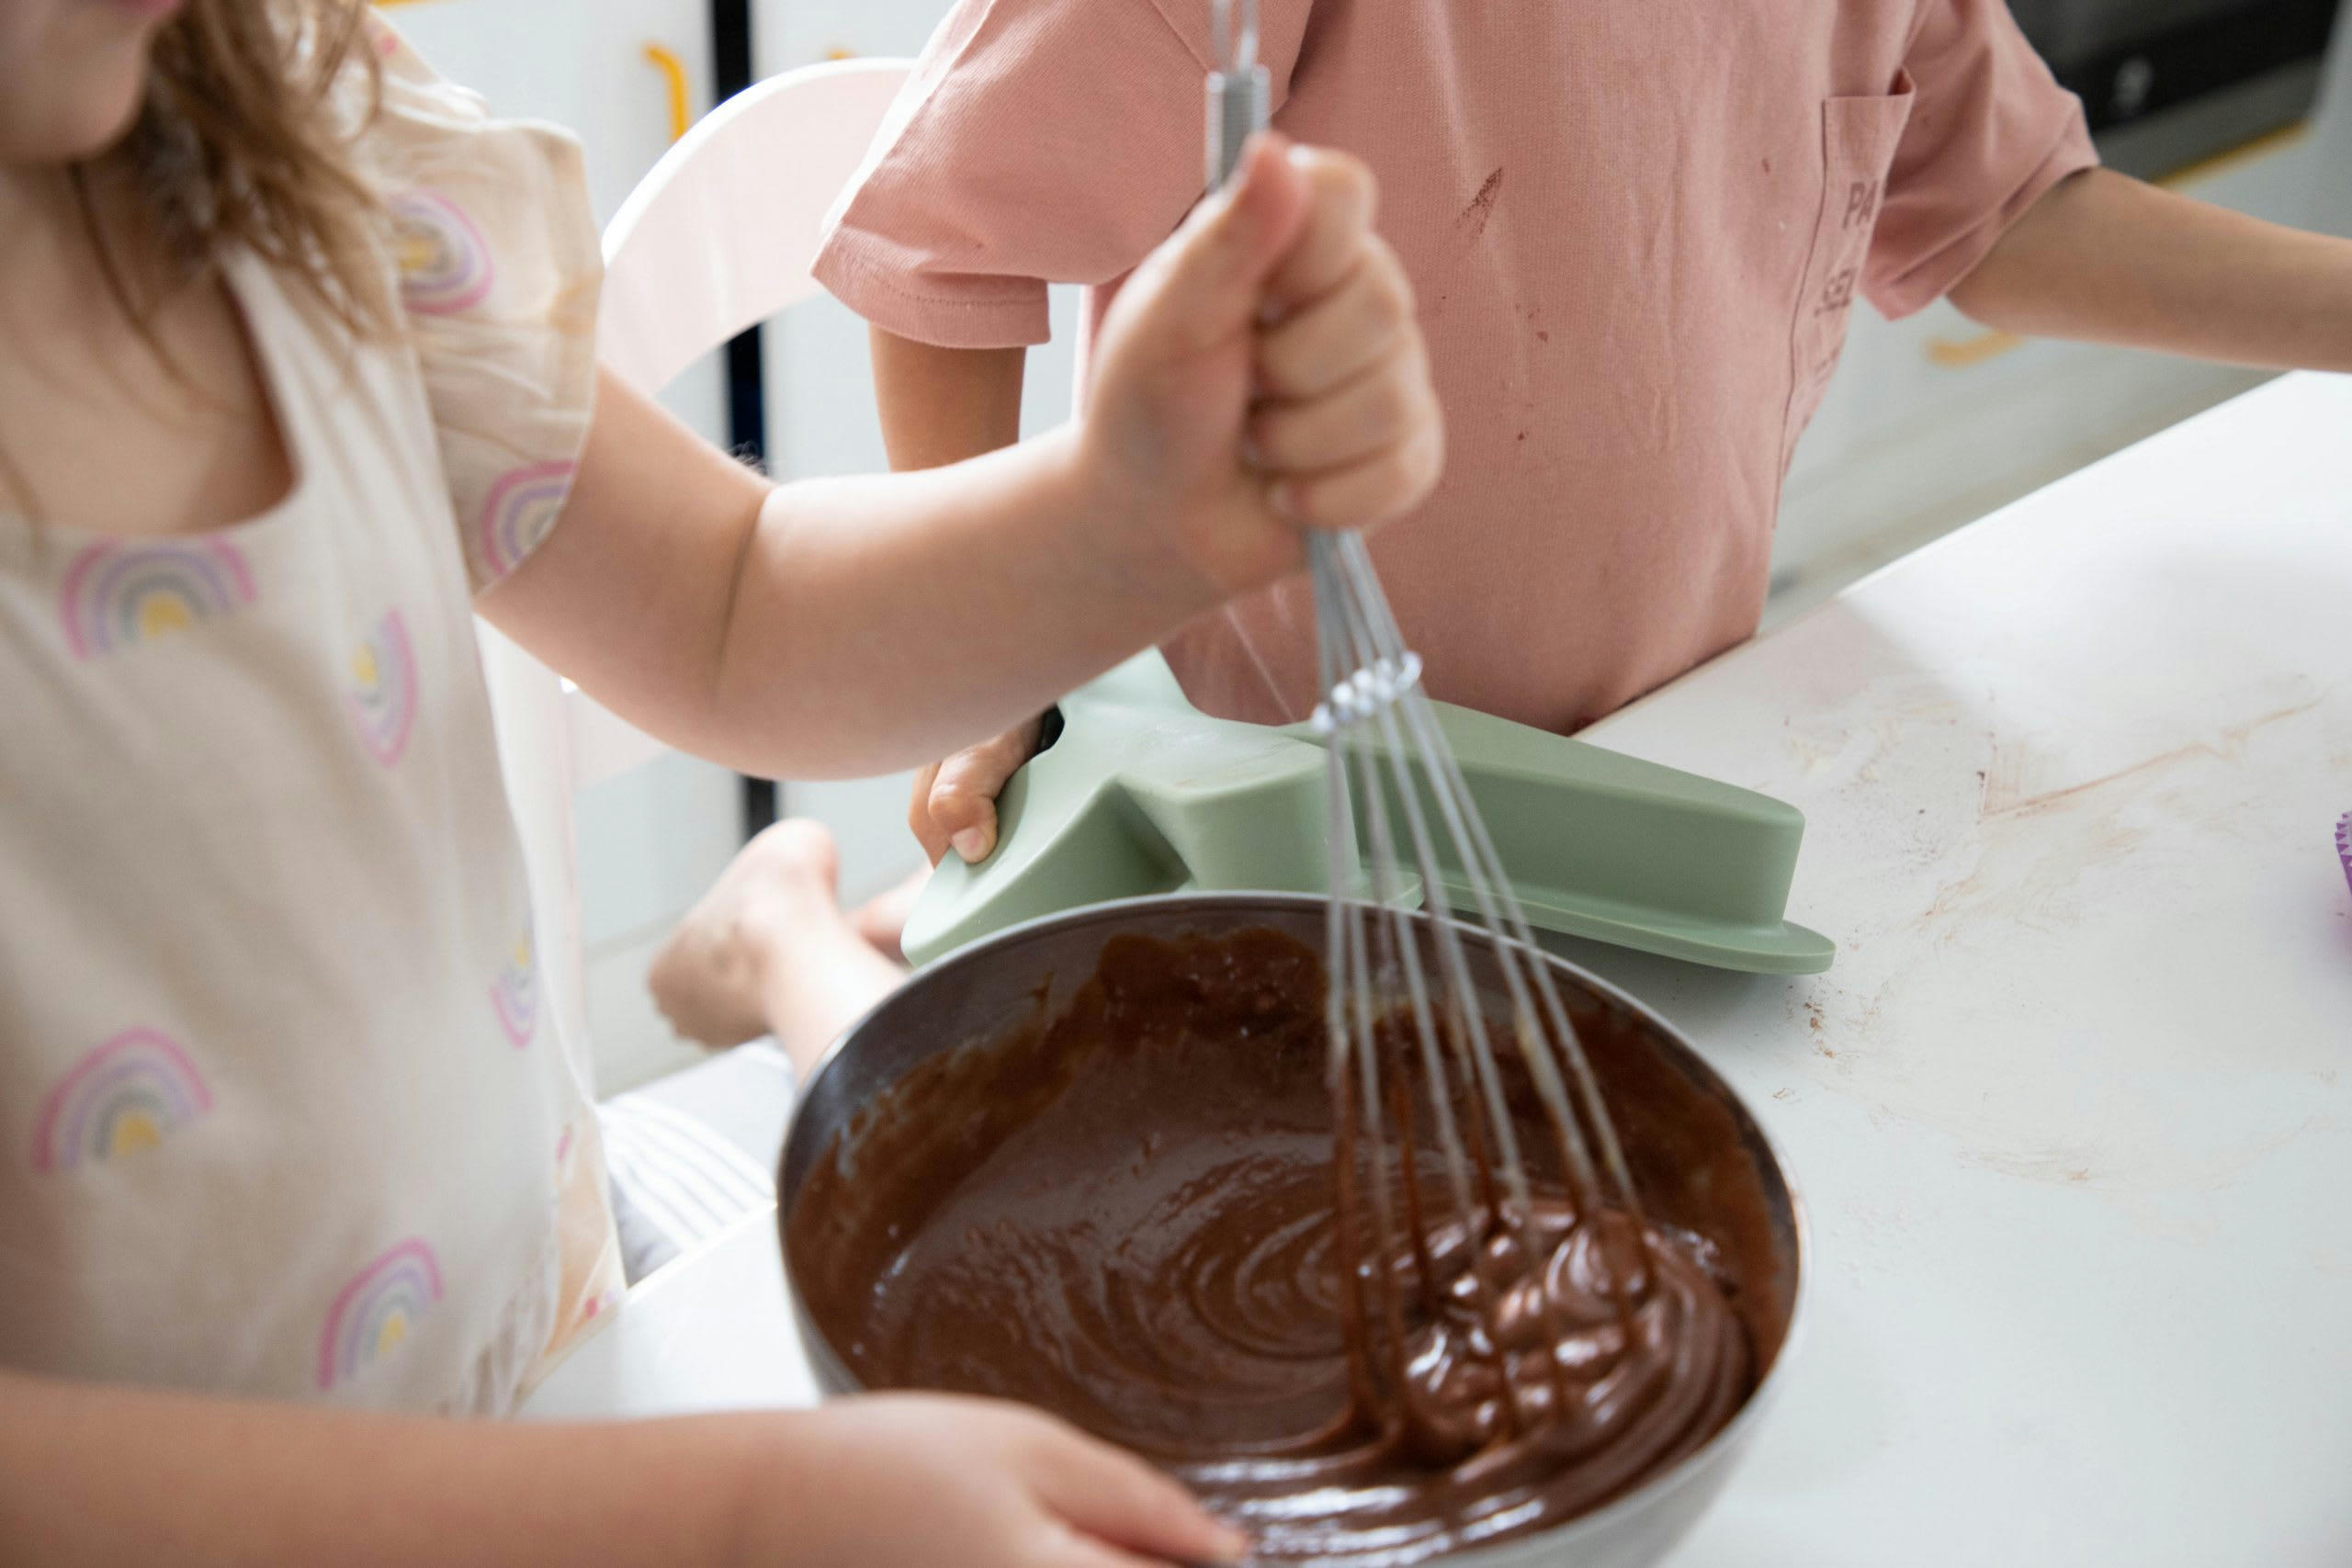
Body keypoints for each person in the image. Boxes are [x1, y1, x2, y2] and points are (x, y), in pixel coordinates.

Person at [0, 0, 1441, 1559]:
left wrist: (1122, 518)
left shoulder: (302, 144)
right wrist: (739, 1517)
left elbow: (728, 604)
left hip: (555, 1374)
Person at [650, 0, 2352, 1055]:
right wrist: (978, 671)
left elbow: (2007, 213)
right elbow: (951, 254)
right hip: (1273, 784)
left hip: (1655, 756)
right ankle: (792, 933)